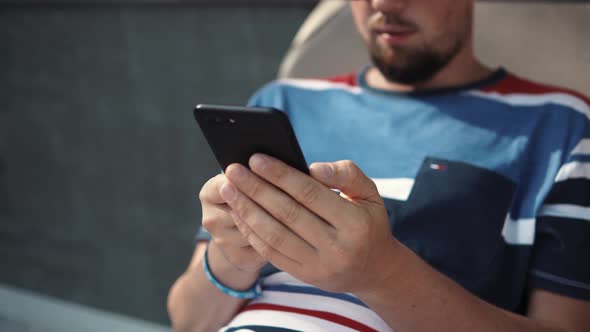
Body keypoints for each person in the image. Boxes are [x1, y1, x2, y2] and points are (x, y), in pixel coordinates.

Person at [167, 0, 590, 331]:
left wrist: (382, 273)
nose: (384, 4)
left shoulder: (560, 125)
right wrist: (231, 257)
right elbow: (188, 322)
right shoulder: (281, 102)